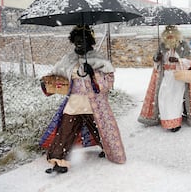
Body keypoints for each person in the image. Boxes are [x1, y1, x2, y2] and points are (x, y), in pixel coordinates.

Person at [39, 25, 126, 174]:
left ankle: (108, 149)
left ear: (90, 42)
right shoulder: (68, 59)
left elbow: (109, 82)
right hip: (74, 102)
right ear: (73, 41)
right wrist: (46, 81)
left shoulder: (99, 60)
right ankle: (58, 160)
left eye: (83, 41)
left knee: (100, 129)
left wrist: (93, 74)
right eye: (77, 41)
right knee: (65, 131)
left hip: (94, 103)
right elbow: (55, 75)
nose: (79, 44)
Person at [138, 25, 191, 132]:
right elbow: (156, 62)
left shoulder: (184, 45)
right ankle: (166, 120)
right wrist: (157, 58)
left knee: (176, 100)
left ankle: (176, 122)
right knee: (163, 97)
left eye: (172, 35)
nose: (170, 37)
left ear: (176, 35)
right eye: (168, 36)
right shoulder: (162, 46)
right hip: (165, 76)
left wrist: (178, 60)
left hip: (178, 76)